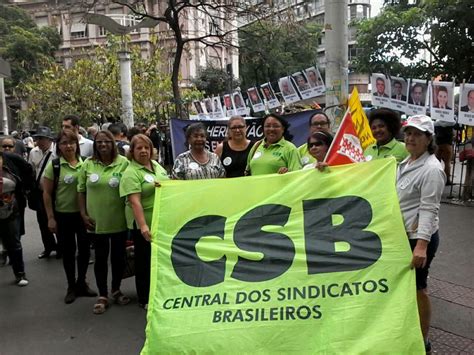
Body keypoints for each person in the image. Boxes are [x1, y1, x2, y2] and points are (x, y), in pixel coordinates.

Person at [396, 114, 445, 354]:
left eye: (417, 134)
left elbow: (429, 209)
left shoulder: (432, 169)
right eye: (408, 133)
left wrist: (421, 246)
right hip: (402, 234)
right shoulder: (405, 163)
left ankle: (423, 340)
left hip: (418, 237)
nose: (410, 138)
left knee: (418, 287)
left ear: (428, 139)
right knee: (405, 287)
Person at [78, 130, 130, 314]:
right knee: (100, 259)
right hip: (95, 222)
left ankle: (116, 289)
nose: (103, 145)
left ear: (113, 143)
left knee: (118, 258)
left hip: (119, 220)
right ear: (95, 145)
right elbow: (81, 190)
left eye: (106, 141)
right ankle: (102, 295)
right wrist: (83, 214)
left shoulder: (124, 164)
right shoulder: (88, 164)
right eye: (99, 142)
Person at [43, 129, 97, 304]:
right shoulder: (55, 165)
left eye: (71, 142)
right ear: (58, 146)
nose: (68, 146)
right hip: (63, 216)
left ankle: (82, 282)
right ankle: (71, 286)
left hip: (82, 216)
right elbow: (47, 193)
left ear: (77, 145)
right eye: (64, 143)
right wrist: (50, 217)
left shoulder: (86, 164)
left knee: (84, 251)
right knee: (68, 252)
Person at [119, 134, 169, 309]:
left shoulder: (156, 166)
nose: (143, 151)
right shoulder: (131, 172)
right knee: (144, 261)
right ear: (132, 151)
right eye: (139, 148)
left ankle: (160, 292)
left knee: (159, 260)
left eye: (146, 147)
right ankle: (145, 297)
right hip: (144, 223)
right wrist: (143, 226)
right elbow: (135, 201)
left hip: (161, 221)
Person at [0, 150, 34, 286]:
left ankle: (20, 273)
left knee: (14, 242)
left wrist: (27, 189)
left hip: (11, 211)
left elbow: (27, 170)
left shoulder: (10, 166)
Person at [28, 126, 60, 259]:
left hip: (56, 193)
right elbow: (31, 170)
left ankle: (61, 247)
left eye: (41, 138)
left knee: (57, 220)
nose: (39, 141)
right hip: (40, 192)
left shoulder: (57, 152)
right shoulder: (33, 152)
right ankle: (48, 247)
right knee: (42, 222)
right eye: (37, 138)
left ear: (49, 139)